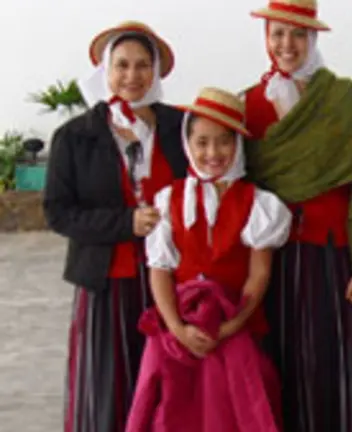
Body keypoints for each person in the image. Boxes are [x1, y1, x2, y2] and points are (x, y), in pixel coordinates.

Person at [243, 1, 352, 431]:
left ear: (313, 38)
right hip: (271, 267)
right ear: (266, 37)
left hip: (335, 264)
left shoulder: (346, 101)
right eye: (277, 33)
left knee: (339, 370)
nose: (286, 45)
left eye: (297, 34)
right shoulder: (248, 105)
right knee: (282, 369)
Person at [43, 21, 188, 432]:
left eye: (143, 66)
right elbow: (59, 212)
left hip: (174, 280)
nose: (132, 76)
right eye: (122, 65)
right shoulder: (74, 137)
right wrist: (126, 223)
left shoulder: (181, 129)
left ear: (157, 72)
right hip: (106, 282)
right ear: (105, 70)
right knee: (109, 383)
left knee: (170, 384)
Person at [126, 87, 290, 431]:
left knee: (234, 405)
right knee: (173, 408)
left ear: (238, 145)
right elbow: (160, 271)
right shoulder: (168, 199)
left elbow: (258, 275)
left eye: (223, 142)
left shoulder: (257, 203)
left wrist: (230, 326)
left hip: (233, 325)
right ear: (188, 144)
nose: (212, 153)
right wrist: (177, 329)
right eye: (202, 142)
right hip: (178, 327)